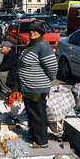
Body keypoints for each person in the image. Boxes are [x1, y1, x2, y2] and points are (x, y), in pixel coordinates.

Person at [14, 20, 57, 148]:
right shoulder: (31, 44)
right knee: (32, 113)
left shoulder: (43, 47)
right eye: (30, 30)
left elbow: (53, 68)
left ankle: (42, 141)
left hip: (37, 88)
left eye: (35, 30)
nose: (32, 32)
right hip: (28, 87)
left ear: (40, 32)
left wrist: (45, 81)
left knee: (38, 115)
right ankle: (34, 135)